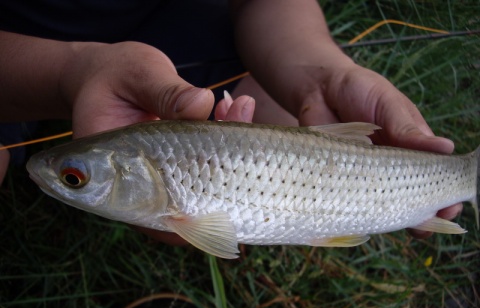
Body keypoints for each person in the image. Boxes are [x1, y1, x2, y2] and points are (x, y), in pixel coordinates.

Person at [0, 0, 461, 243]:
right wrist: (67, 74)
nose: (69, 179)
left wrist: (322, 76)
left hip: (184, 30)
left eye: (74, 178)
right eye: (76, 178)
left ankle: (449, 183)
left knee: (286, 113)